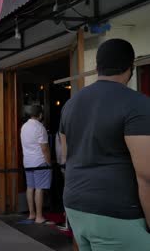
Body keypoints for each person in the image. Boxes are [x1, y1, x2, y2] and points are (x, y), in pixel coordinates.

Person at [59, 38, 150, 250]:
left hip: (75, 205)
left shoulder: (70, 105)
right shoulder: (137, 104)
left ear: (97, 68)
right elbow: (146, 175)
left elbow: (66, 156)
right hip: (119, 211)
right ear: (131, 67)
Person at [20, 105, 52, 224]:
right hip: (39, 161)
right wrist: (49, 162)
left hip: (27, 161)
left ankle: (31, 214)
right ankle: (39, 216)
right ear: (40, 115)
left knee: (30, 187)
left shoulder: (24, 127)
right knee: (39, 188)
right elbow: (45, 148)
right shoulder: (40, 127)